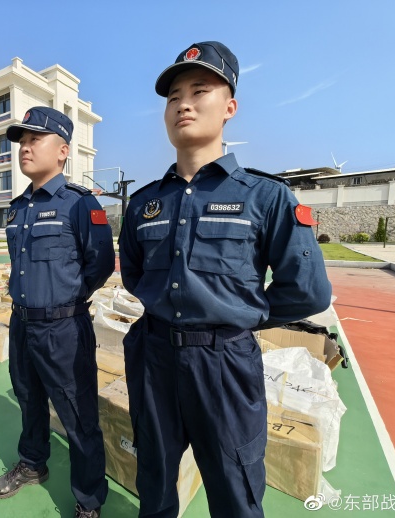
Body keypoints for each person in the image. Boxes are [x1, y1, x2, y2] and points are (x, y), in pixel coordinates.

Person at [118, 41, 332, 518]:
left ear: (230, 107)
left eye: (199, 90)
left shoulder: (265, 196)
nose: (183, 104)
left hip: (223, 365)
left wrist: (236, 319)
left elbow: (309, 289)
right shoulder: (145, 203)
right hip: (153, 359)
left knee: (235, 488)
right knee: (152, 477)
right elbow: (133, 273)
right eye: (174, 97)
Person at [0, 106, 114, 518]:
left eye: (34, 140)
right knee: (28, 399)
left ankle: (89, 500)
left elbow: (99, 264)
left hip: (64, 329)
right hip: (22, 324)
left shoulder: (79, 204)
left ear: (62, 151)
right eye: (21, 141)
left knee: (78, 417)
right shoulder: (18, 208)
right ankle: (32, 463)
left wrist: (64, 302)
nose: (24, 148)